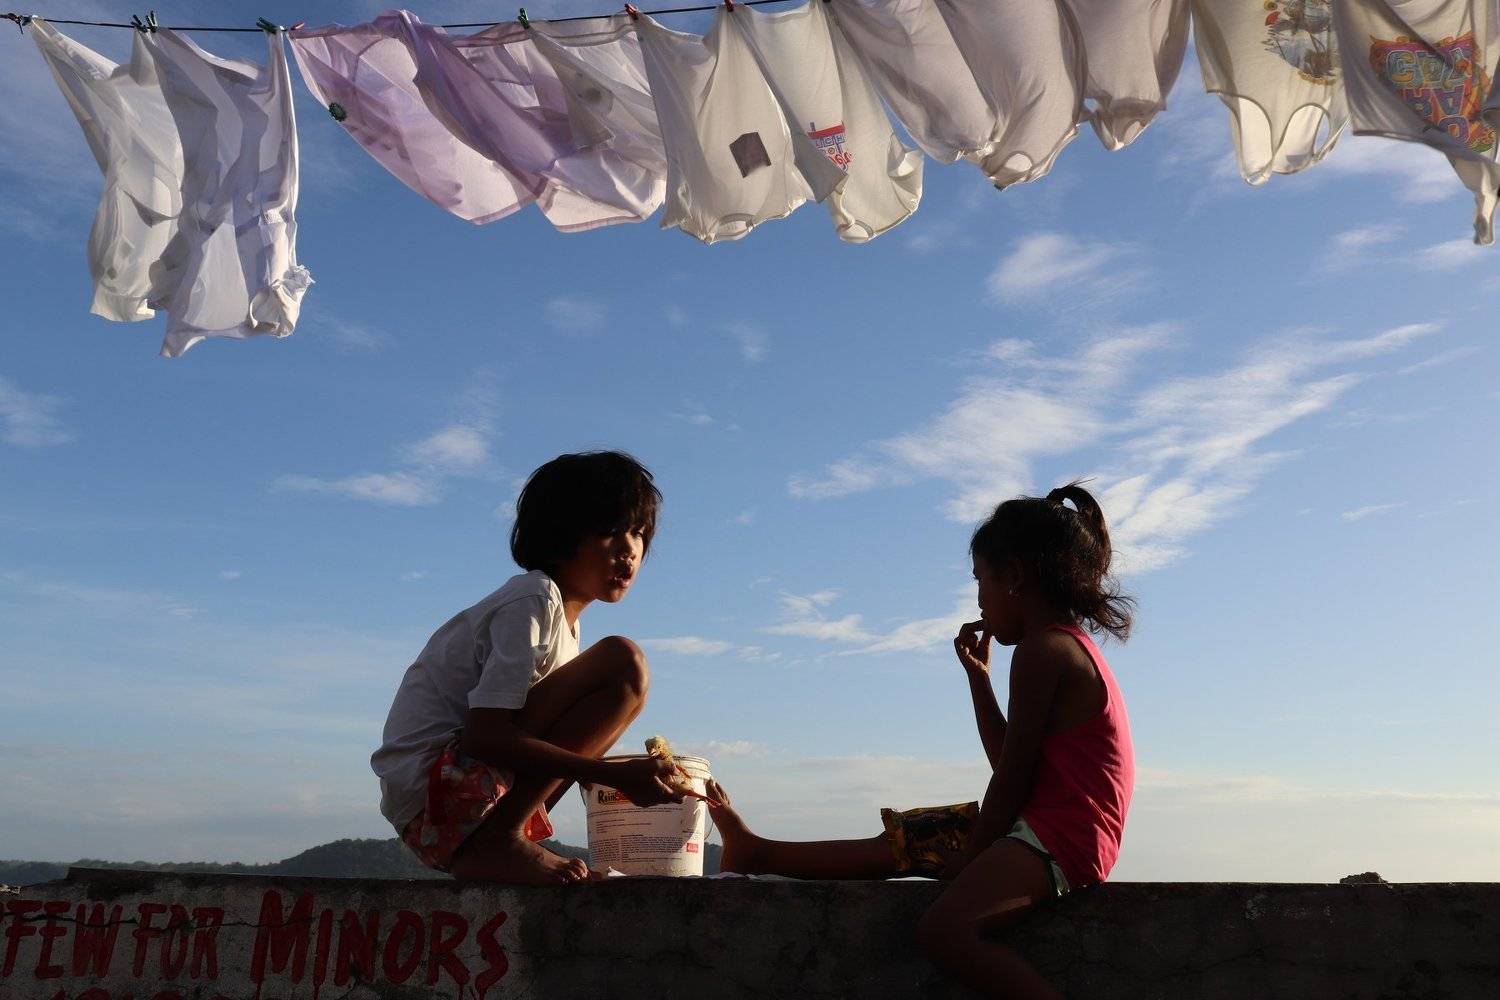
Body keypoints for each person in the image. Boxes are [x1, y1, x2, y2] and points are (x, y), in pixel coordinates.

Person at [706, 483, 1135, 999]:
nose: (980, 599)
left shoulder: (1044, 652)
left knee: (944, 932)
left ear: (1015, 577)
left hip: (1061, 841)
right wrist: (979, 680)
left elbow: (1012, 777)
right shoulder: (1059, 647)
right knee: (909, 841)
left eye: (981, 580)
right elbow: (1011, 760)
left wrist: (974, 856)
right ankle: (759, 853)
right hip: (1042, 827)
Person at [371, 451, 685, 885]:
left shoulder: (565, 626)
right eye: (610, 531)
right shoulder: (533, 599)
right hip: (435, 795)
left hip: (446, 811)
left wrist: (624, 777)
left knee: (618, 681)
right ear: (562, 536)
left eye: (638, 533)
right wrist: (608, 773)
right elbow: (485, 736)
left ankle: (499, 839)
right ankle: (501, 839)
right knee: (623, 662)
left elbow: (547, 740)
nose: (629, 549)